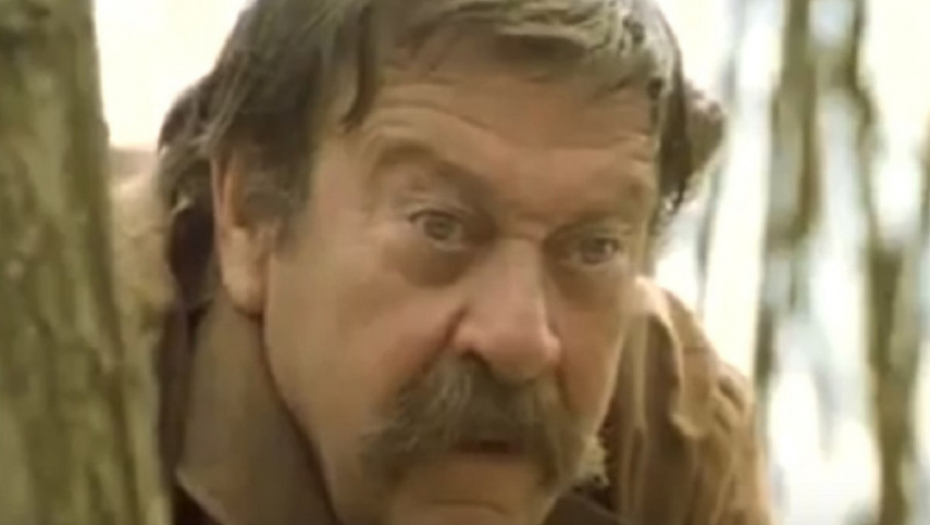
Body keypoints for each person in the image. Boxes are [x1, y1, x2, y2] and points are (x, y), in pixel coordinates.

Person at [112, 0, 773, 524]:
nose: (520, 341)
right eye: (441, 226)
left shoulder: (673, 439)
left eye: (593, 247)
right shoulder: (77, 379)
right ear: (251, 216)